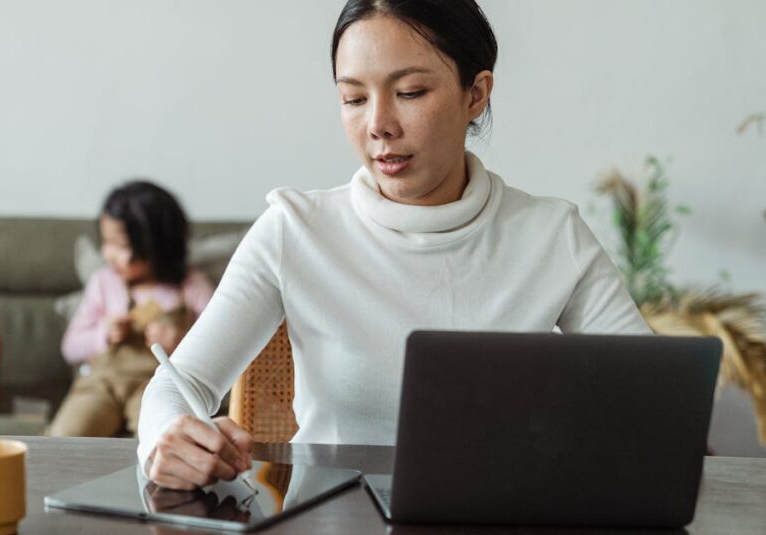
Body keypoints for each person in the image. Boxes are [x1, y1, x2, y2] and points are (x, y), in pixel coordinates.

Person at [137, 0, 652, 490]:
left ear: (475, 94)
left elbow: (653, 396)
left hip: (501, 514)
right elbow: (175, 385)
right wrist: (168, 437)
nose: (379, 125)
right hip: (330, 519)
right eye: (354, 98)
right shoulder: (294, 230)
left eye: (409, 92)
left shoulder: (550, 235)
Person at [50, 181, 214, 437]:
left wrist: (180, 344)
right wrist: (103, 334)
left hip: (159, 384)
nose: (109, 254)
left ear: (157, 246)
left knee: (162, 439)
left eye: (122, 246)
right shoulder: (104, 282)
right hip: (101, 383)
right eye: (106, 243)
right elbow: (69, 347)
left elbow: (218, 348)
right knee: (67, 434)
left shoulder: (192, 287)